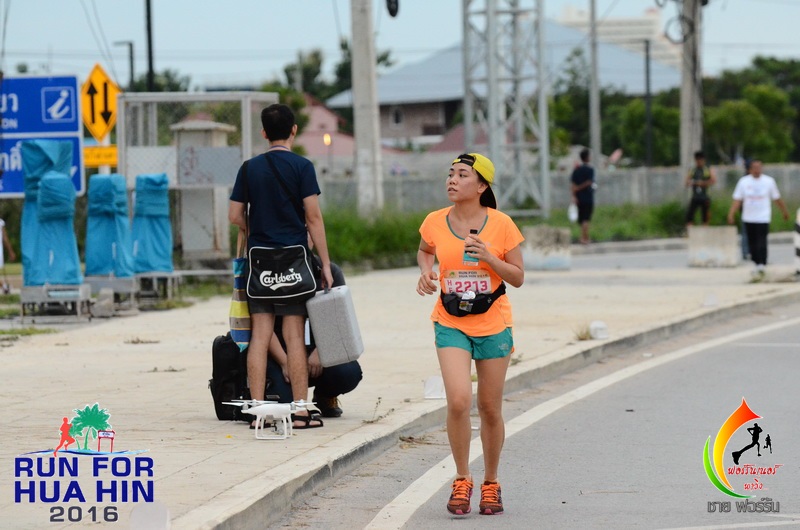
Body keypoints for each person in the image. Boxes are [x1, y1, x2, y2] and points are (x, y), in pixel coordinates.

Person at [417, 153, 524, 516]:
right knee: (459, 401)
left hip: (493, 323)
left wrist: (490, 258)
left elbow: (518, 276)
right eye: (451, 173)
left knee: (490, 408)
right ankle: (462, 478)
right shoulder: (434, 221)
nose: (452, 179)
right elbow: (425, 251)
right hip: (450, 321)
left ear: (481, 186)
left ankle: (491, 482)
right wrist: (426, 272)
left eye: (462, 174)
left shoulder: (502, 224)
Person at [229, 103, 334, 430]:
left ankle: (258, 412)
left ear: (263, 133)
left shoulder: (249, 168)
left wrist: (255, 229)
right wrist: (325, 264)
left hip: (259, 263)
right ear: (293, 131)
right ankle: (301, 412)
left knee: (260, 335)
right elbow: (313, 217)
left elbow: (234, 216)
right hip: (294, 263)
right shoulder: (303, 166)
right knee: (293, 335)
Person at [266, 257, 362, 418]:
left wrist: (320, 352)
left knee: (348, 373)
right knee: (283, 404)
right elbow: (260, 328)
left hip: (319, 352)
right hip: (281, 354)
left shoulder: (329, 272)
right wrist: (285, 362)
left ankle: (325, 396)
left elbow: (340, 318)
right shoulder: (268, 274)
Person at [727, 160, 790, 281]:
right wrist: (731, 214)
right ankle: (756, 263)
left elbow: (777, 198)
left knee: (761, 240)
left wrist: (784, 211)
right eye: (754, 168)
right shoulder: (744, 182)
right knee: (752, 242)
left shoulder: (769, 181)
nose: (756, 170)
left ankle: (762, 263)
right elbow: (737, 200)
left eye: (758, 167)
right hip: (749, 217)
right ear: (750, 169)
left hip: (763, 217)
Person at [685, 150, 717, 227]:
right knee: (689, 216)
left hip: (704, 196)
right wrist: (695, 183)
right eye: (697, 160)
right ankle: (689, 230)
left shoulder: (707, 169)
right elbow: (686, 182)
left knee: (705, 217)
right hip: (695, 196)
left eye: (700, 159)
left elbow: (713, 180)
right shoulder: (693, 170)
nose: (699, 161)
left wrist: (702, 183)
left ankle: (705, 229)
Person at [570, 148, 595, 244]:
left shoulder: (576, 170)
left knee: (581, 219)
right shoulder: (590, 170)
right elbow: (589, 182)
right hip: (588, 197)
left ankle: (582, 237)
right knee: (586, 219)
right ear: (587, 157)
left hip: (578, 198)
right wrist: (579, 188)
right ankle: (585, 238)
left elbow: (572, 185)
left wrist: (574, 195)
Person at [0, 218, 16, 294]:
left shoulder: (0, 222)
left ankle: (4, 287)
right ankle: (4, 286)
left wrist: (10, 251)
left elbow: (5, 238)